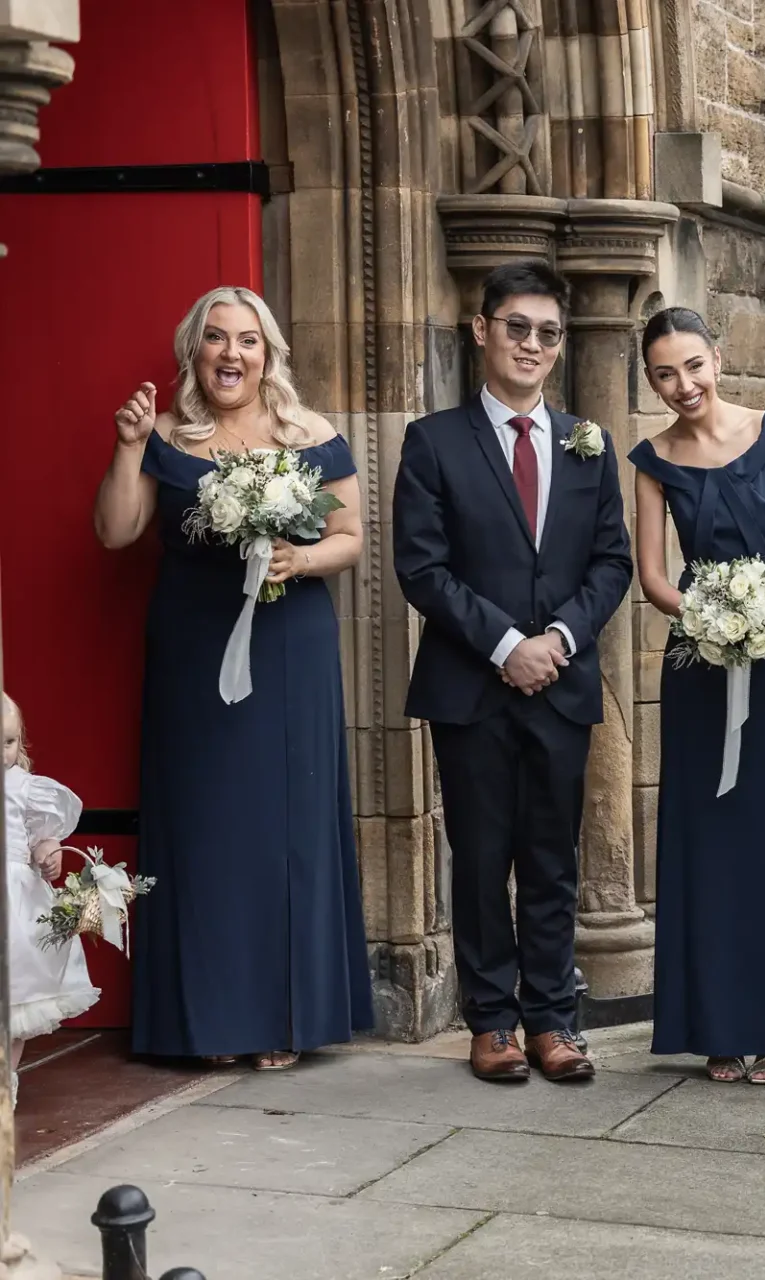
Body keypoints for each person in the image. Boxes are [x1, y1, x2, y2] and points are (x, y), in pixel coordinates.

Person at [94, 286, 373, 1070]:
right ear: (195, 352)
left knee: (285, 828)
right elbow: (116, 532)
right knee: (208, 827)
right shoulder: (169, 440)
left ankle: (284, 1016)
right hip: (193, 647)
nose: (231, 354)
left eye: (246, 341)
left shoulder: (311, 434)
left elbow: (351, 538)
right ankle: (211, 1021)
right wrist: (127, 445)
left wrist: (299, 556)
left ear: (268, 353)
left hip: (290, 648)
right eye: (215, 339)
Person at [392, 260, 633, 1084]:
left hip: (560, 685)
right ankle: (490, 1022)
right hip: (471, 686)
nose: (533, 344)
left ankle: (553, 1022)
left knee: (552, 859)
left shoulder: (586, 444)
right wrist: (506, 646)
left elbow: (612, 562)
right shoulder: (433, 442)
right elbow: (422, 569)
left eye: (548, 333)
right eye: (518, 327)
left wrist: (558, 639)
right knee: (481, 854)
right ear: (482, 331)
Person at [631, 307, 765, 1086]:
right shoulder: (651, 460)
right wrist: (716, 618)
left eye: (693, 366)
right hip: (701, 658)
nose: (683, 385)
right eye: (663, 374)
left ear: (718, 357)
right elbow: (653, 576)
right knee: (710, 836)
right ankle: (716, 1022)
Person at [5, 693, 100, 1097]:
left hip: (16, 906)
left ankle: (5, 1078)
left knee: (18, 998)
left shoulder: (25, 789)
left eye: (8, 742)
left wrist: (49, 853)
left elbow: (44, 839)